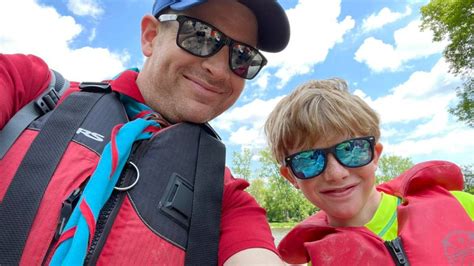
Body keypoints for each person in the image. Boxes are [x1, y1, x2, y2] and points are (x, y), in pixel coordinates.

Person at [0, 0, 290, 265]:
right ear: (150, 36)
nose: (219, 70)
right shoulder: (30, 89)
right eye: (200, 35)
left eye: (243, 56)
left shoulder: (224, 195)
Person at [264, 78, 474, 265]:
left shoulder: (463, 206)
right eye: (309, 160)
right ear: (291, 176)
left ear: (375, 155)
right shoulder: (318, 259)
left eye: (351, 150)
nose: (336, 174)